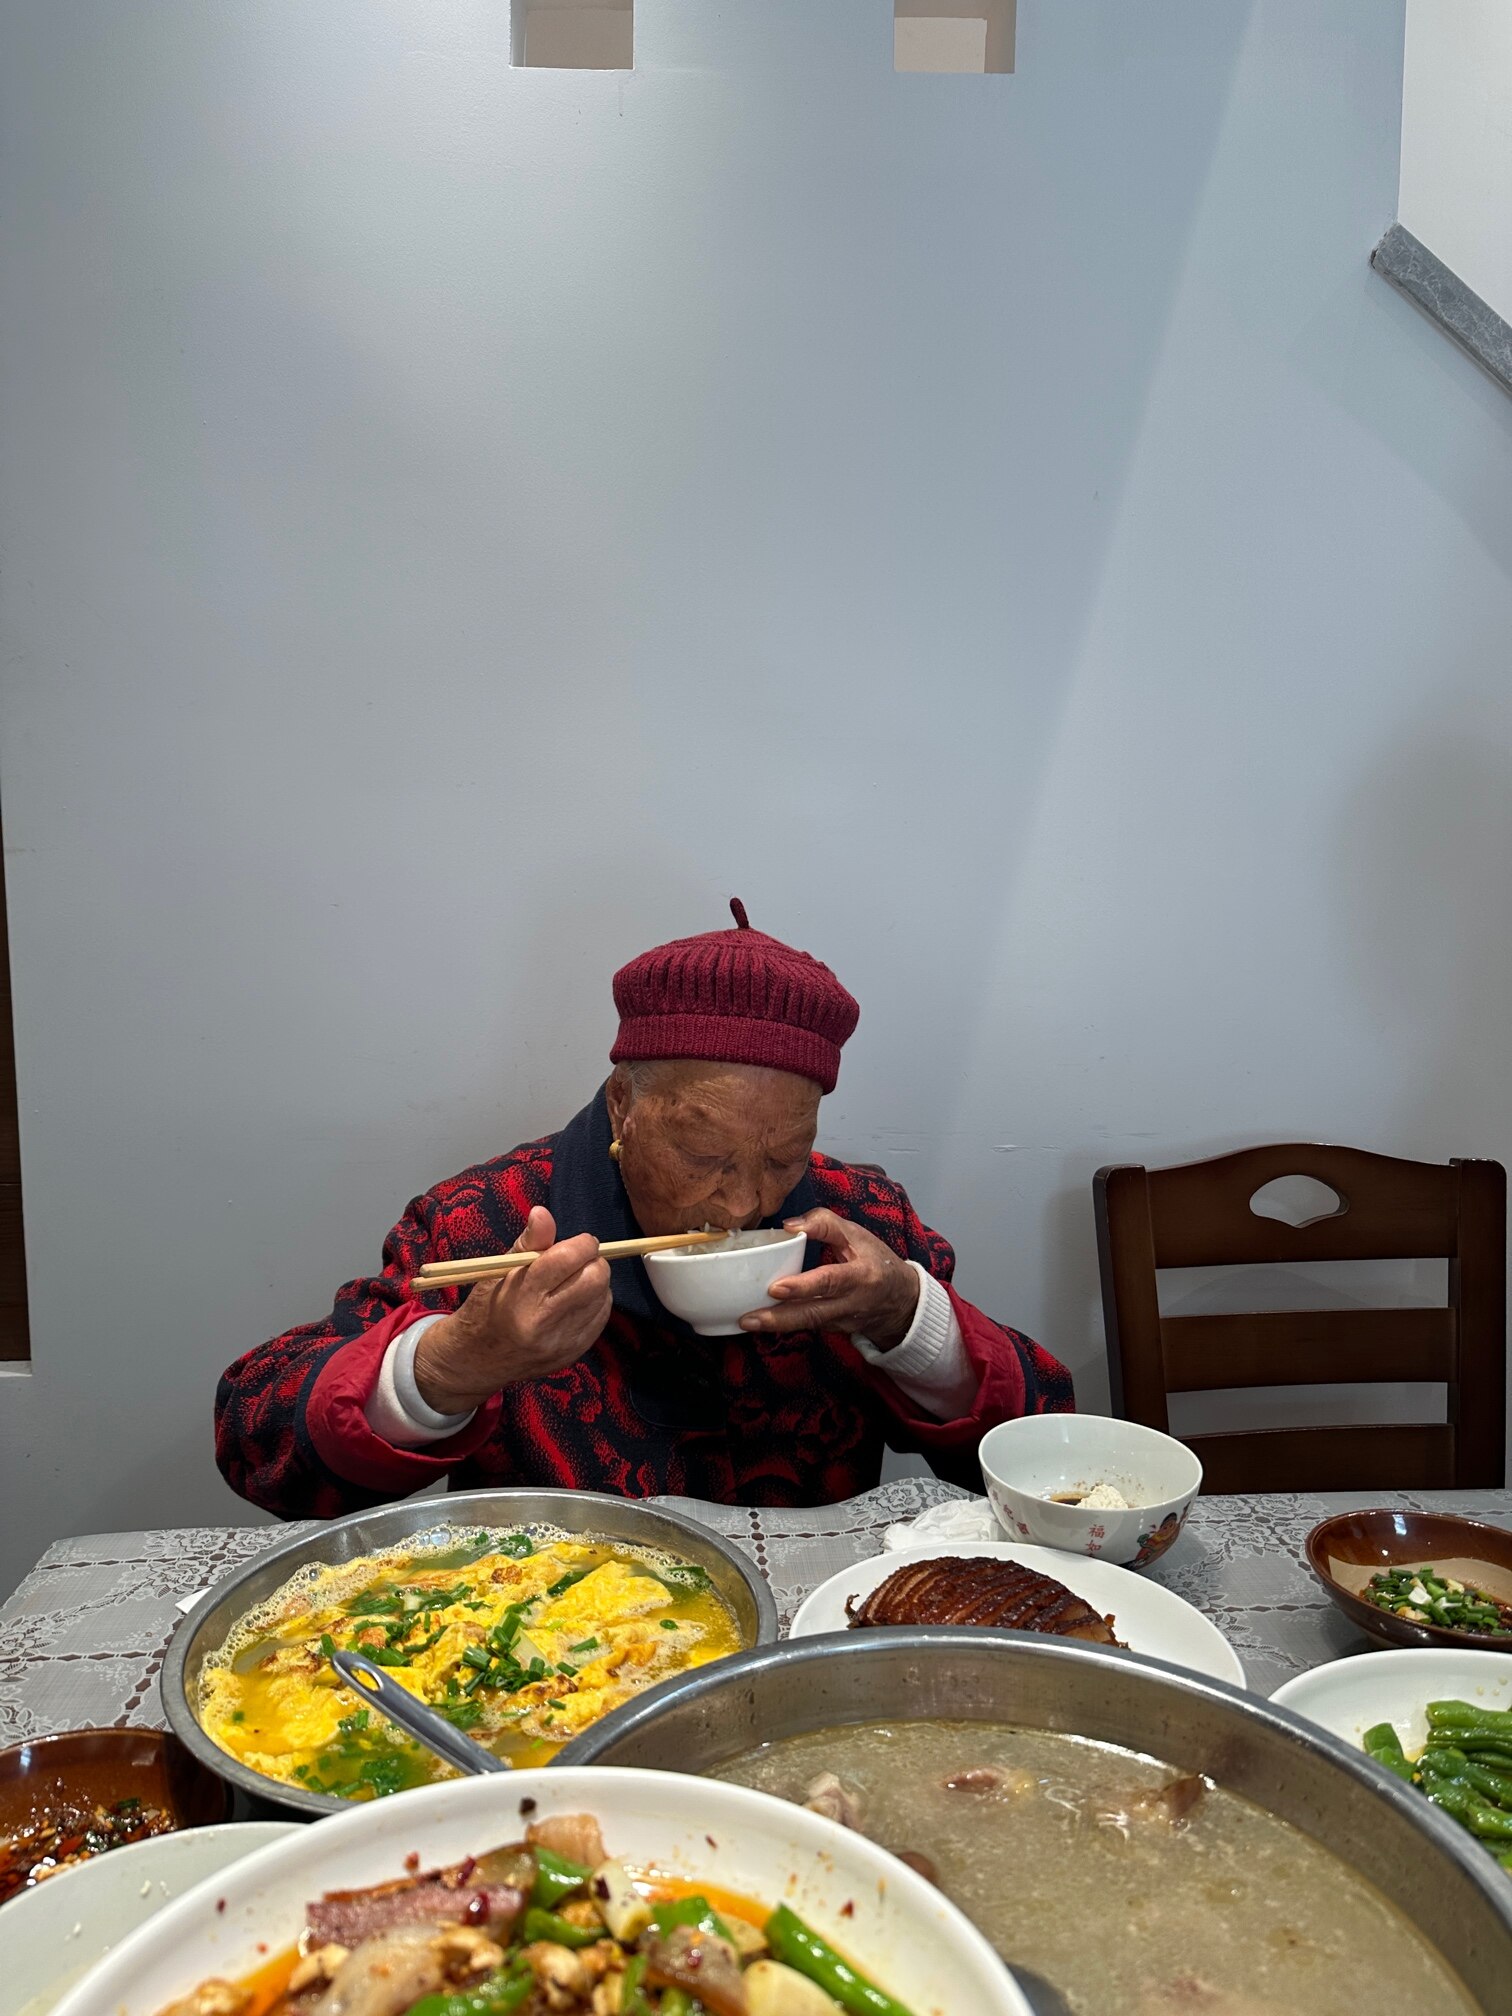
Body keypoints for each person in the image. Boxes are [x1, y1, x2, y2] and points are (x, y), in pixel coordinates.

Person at [216, 903, 1073, 1517]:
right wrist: (449, 1366)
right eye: (702, 1156)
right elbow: (259, 1445)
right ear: (623, 1105)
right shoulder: (488, 1221)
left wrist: (907, 1319)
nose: (742, 1201)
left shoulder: (859, 1223)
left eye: (783, 1157)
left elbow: (1050, 1465)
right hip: (559, 1651)